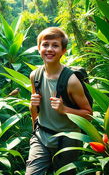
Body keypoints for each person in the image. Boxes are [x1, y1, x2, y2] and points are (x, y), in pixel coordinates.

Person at [26, 27, 92, 175]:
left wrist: (65, 110)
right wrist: (33, 107)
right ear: (38, 48)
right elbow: (34, 111)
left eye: (55, 45)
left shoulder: (71, 80)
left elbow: (88, 114)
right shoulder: (35, 76)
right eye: (45, 44)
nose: (49, 49)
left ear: (63, 50)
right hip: (41, 136)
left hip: (67, 139)